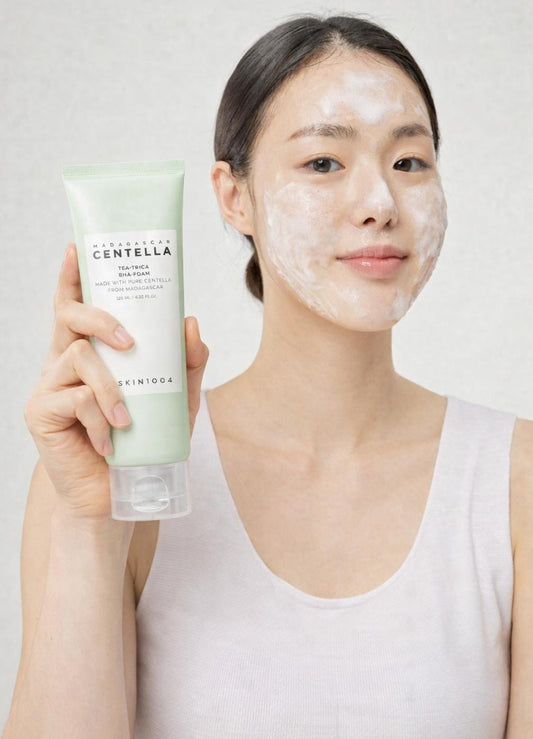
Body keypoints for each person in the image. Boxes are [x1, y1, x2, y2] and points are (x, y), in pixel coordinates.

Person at [4, 12, 532, 739]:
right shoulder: (106, 480)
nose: (380, 204)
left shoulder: (515, 482)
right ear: (235, 196)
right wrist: (90, 524)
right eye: (324, 163)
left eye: (409, 162)